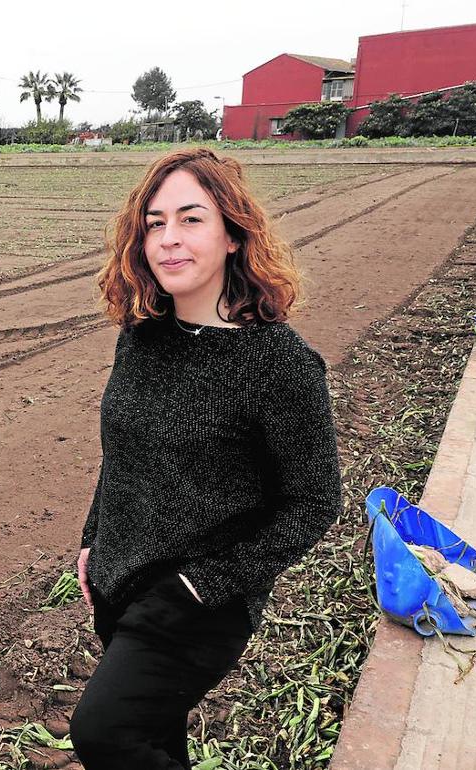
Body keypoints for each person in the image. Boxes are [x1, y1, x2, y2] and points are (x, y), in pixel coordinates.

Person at [68, 147, 341, 769]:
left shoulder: (278, 364)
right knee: (153, 738)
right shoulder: (141, 337)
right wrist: (94, 539)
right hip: (120, 578)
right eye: (155, 223)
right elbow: (123, 454)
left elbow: (314, 502)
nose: (169, 239)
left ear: (233, 236)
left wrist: (203, 584)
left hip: (200, 601)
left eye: (191, 219)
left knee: (104, 735)